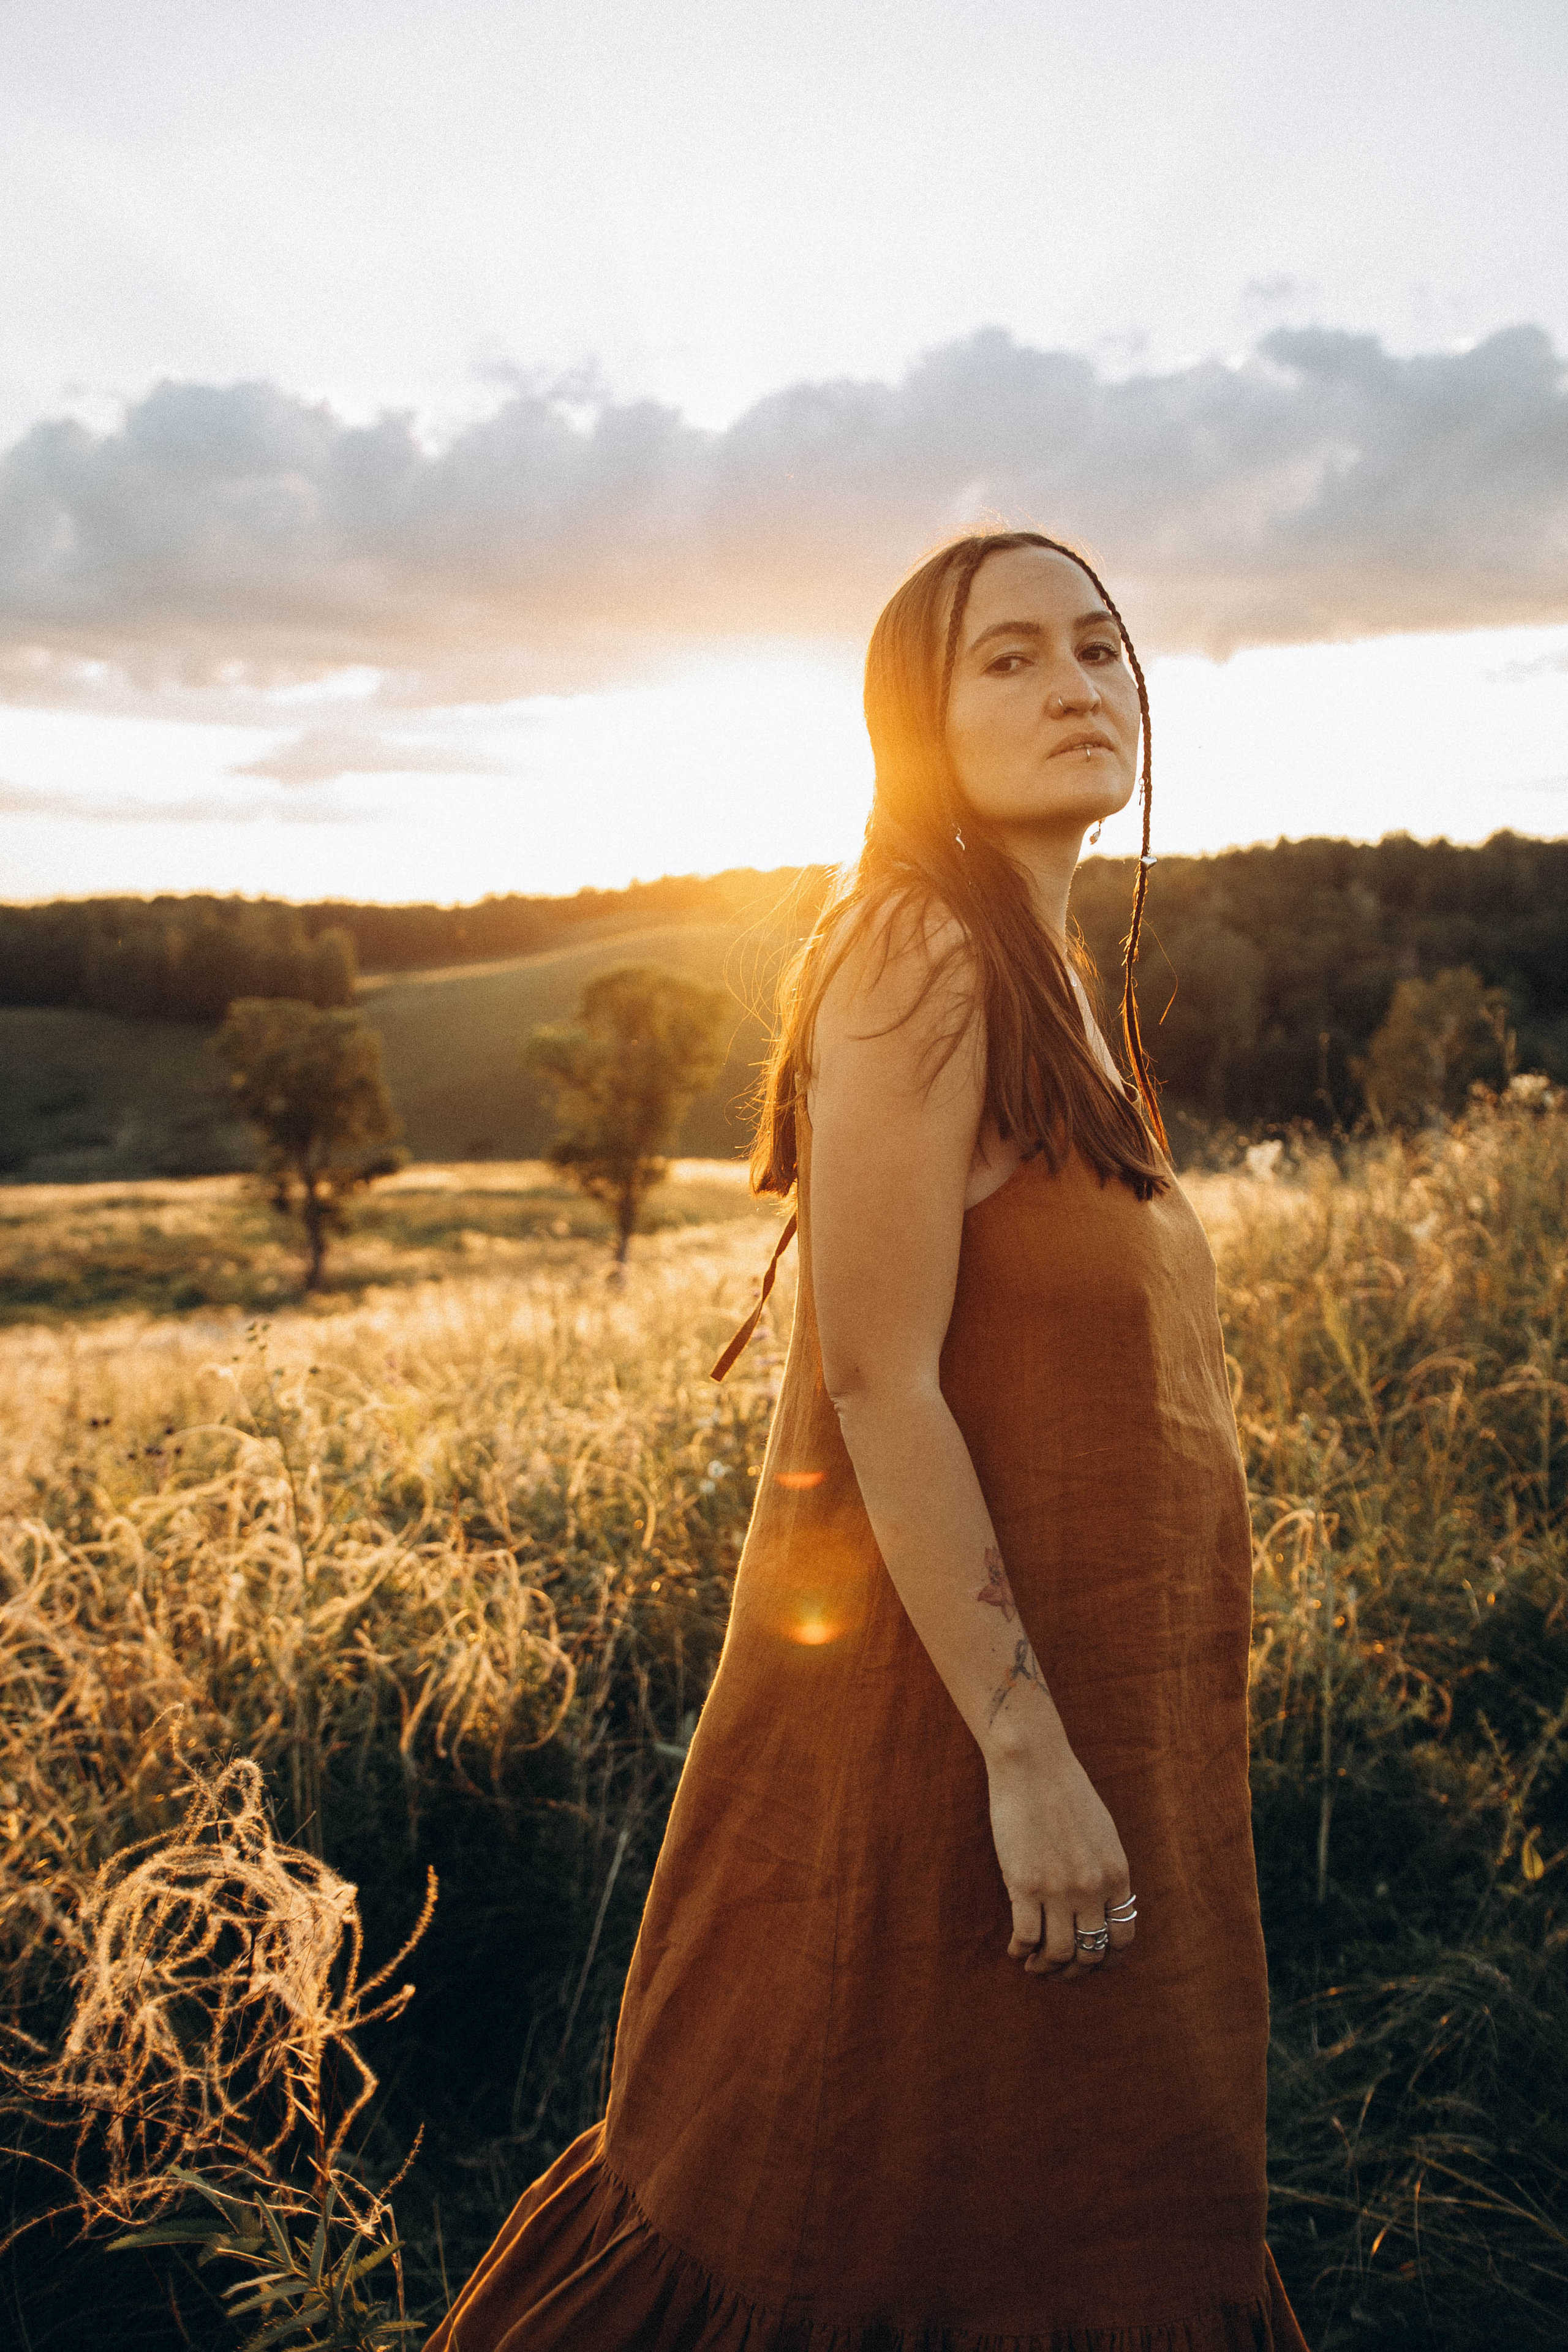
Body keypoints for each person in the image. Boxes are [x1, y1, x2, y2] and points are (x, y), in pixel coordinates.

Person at [428, 531, 1309, 2351]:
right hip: (959, 1732)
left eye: (1100, 647)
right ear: (915, 720)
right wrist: (1025, 1753)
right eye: (1010, 658)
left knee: (1062, 2192)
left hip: (1100, 1703)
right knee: (866, 2197)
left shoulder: (1048, 973)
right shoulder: (919, 952)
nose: (1076, 685)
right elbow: (879, 1383)